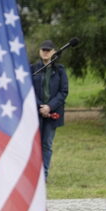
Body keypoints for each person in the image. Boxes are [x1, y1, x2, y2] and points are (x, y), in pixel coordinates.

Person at [31, 40, 69, 180]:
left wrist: (49, 107)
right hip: (35, 113)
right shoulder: (32, 69)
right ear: (40, 51)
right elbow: (27, 90)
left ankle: (43, 176)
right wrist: (40, 106)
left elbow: (63, 91)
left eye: (48, 50)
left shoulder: (59, 70)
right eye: (43, 49)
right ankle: (33, 175)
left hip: (52, 113)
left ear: (54, 52)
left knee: (46, 144)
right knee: (34, 145)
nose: (45, 52)